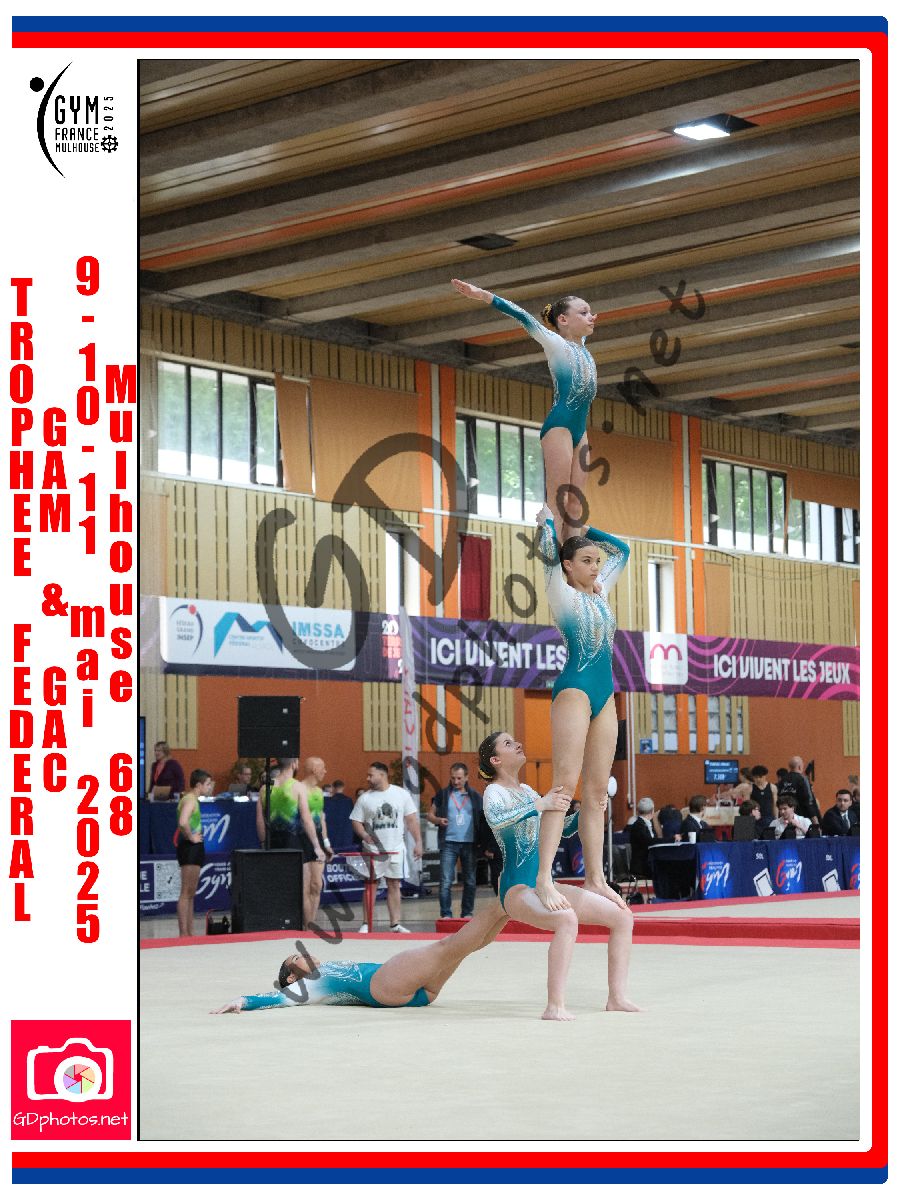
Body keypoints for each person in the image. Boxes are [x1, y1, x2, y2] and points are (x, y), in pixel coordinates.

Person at [478, 730, 638, 1020]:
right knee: (566, 919)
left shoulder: (527, 791)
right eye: (508, 743)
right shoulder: (494, 792)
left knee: (622, 917)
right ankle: (554, 1005)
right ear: (495, 760)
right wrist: (541, 805)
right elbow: (498, 820)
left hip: (545, 885)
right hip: (516, 889)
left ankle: (617, 997)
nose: (518, 744)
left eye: (516, 740)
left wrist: (588, 808)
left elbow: (559, 830)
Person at [530, 503, 630, 913]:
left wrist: (588, 529)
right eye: (586, 561)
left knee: (597, 793)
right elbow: (547, 552)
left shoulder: (600, 592)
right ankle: (543, 876)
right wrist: (547, 524)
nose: (595, 567)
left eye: (596, 562)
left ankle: (595, 878)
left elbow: (622, 550)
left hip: (606, 693)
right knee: (563, 787)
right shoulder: (562, 592)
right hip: (575, 689)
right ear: (568, 566)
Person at [450, 279, 597, 541]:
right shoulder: (554, 342)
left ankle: (571, 560)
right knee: (559, 501)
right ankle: (554, 557)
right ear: (563, 320)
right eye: (584, 312)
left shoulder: (582, 345)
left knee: (576, 505)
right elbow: (522, 316)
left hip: (580, 430)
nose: (591, 316)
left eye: (591, 312)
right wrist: (482, 295)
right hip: (560, 426)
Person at [211, 901, 510, 1014]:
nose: (304, 953)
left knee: (462, 949)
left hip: (418, 994)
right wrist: (243, 1000)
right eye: (296, 957)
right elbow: (276, 998)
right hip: (383, 984)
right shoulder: (309, 985)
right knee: (448, 946)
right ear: (292, 976)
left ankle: (507, 911)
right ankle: (503, 903)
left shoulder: (321, 975)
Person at [351, 763, 423, 933]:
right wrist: (364, 835)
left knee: (394, 884)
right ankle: (366, 923)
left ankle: (395, 923)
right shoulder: (365, 798)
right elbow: (356, 821)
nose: (367, 778)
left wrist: (418, 842)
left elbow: (411, 820)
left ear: (382, 775)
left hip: (396, 847)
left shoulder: (401, 794)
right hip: (373, 849)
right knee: (371, 885)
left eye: (371, 775)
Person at [258, 759, 325, 927]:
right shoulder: (297, 787)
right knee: (303, 891)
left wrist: (264, 843)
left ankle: (281, 927)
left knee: (279, 890)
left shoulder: (265, 788)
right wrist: (317, 846)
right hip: (294, 843)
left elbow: (260, 821)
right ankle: (308, 930)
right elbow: (306, 819)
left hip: (273, 844)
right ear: (294, 764)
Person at [427, 763, 485, 919]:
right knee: (446, 880)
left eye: (459, 778)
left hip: (470, 843)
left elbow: (483, 819)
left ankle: (467, 912)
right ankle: (446, 913)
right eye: (453, 778)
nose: (456, 781)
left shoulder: (475, 797)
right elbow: (430, 815)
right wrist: (438, 820)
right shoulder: (442, 795)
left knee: (470, 880)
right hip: (448, 843)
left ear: (466, 777)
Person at [175, 769, 214, 937]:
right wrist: (191, 837)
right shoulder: (190, 800)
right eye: (208, 784)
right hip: (190, 847)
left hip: (193, 847)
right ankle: (184, 933)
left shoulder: (191, 799)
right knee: (186, 893)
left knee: (190, 893)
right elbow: (183, 821)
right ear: (198, 785)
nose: (210, 787)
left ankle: (189, 932)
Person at [300, 757, 334, 927]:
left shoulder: (319, 792)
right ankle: (306, 924)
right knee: (305, 886)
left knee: (316, 884)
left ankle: (312, 923)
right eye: (323, 768)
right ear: (314, 770)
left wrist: (326, 843)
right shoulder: (299, 789)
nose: (325, 771)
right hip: (302, 839)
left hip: (318, 840)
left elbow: (321, 818)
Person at [779, 757, 821, 826]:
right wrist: (816, 822)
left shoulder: (782, 781)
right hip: (802, 818)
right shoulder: (802, 779)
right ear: (799, 767)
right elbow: (809, 801)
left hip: (785, 819)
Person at [628, 797, 662, 878]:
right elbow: (650, 842)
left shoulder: (648, 824)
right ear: (652, 811)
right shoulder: (638, 826)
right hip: (642, 867)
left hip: (648, 863)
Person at [324, 779, 356, 851]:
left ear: (333, 787)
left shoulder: (327, 800)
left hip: (331, 831)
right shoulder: (349, 801)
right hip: (346, 832)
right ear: (343, 787)